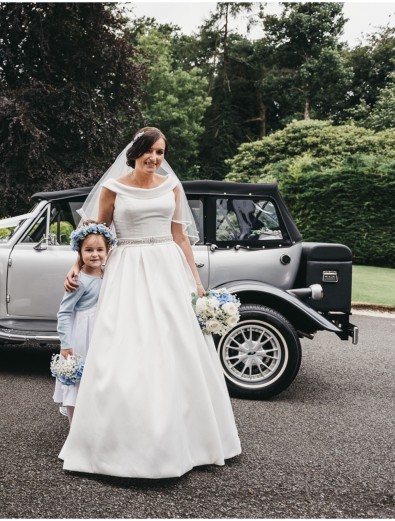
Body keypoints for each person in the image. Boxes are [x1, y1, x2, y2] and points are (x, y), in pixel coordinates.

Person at [58, 127, 241, 479]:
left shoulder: (171, 185)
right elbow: (93, 234)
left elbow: (180, 237)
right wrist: (76, 265)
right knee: (125, 347)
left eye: (161, 152)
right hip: (126, 268)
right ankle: (117, 440)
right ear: (135, 152)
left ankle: (192, 439)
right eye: (150, 152)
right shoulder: (113, 188)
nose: (156, 159)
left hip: (168, 270)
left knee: (176, 347)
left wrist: (197, 282)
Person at [53, 221, 114, 426]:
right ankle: (75, 427)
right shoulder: (78, 280)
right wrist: (66, 344)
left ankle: (95, 423)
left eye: (100, 249)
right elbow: (64, 312)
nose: (94, 254)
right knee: (77, 380)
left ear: (108, 251)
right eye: (88, 250)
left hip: (101, 332)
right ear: (79, 252)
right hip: (82, 335)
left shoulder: (109, 275)